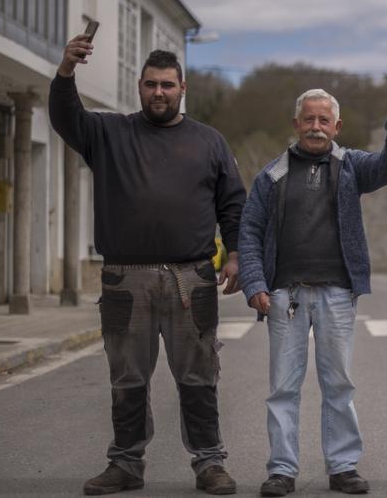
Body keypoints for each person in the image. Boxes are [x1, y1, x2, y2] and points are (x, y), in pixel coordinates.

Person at [50, 38, 245, 496]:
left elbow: (233, 205)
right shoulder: (107, 134)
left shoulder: (209, 141)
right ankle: (126, 464)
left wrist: (236, 253)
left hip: (191, 279)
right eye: (151, 84)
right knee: (128, 378)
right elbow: (64, 117)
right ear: (139, 87)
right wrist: (65, 70)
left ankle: (209, 464)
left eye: (168, 85)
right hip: (125, 280)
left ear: (183, 88)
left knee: (199, 376)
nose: (160, 92)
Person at [237, 88, 387, 497]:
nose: (316, 127)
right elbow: (249, 231)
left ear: (337, 127)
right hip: (285, 295)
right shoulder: (271, 174)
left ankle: (342, 467)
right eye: (309, 119)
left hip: (337, 293)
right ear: (296, 124)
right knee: (283, 387)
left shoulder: (352, 165)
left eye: (324, 121)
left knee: (339, 384)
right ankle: (282, 470)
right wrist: (255, 283)